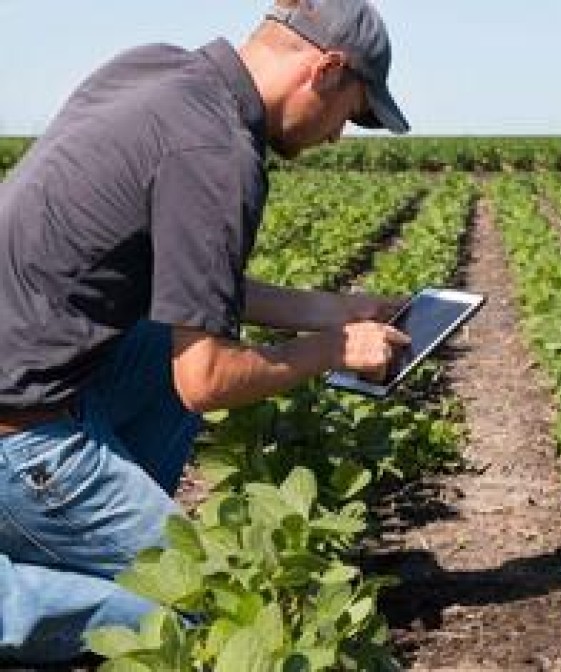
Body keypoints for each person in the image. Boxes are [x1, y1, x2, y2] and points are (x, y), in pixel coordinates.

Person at [0, 0, 411, 663]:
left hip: (36, 373)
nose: (340, 135)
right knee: (220, 613)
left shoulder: (155, 71)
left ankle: (95, 546)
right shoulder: (219, 152)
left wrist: (333, 309)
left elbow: (196, 288)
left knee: (162, 342)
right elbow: (206, 382)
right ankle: (24, 592)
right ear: (327, 70)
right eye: (355, 113)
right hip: (24, 435)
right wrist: (332, 350)